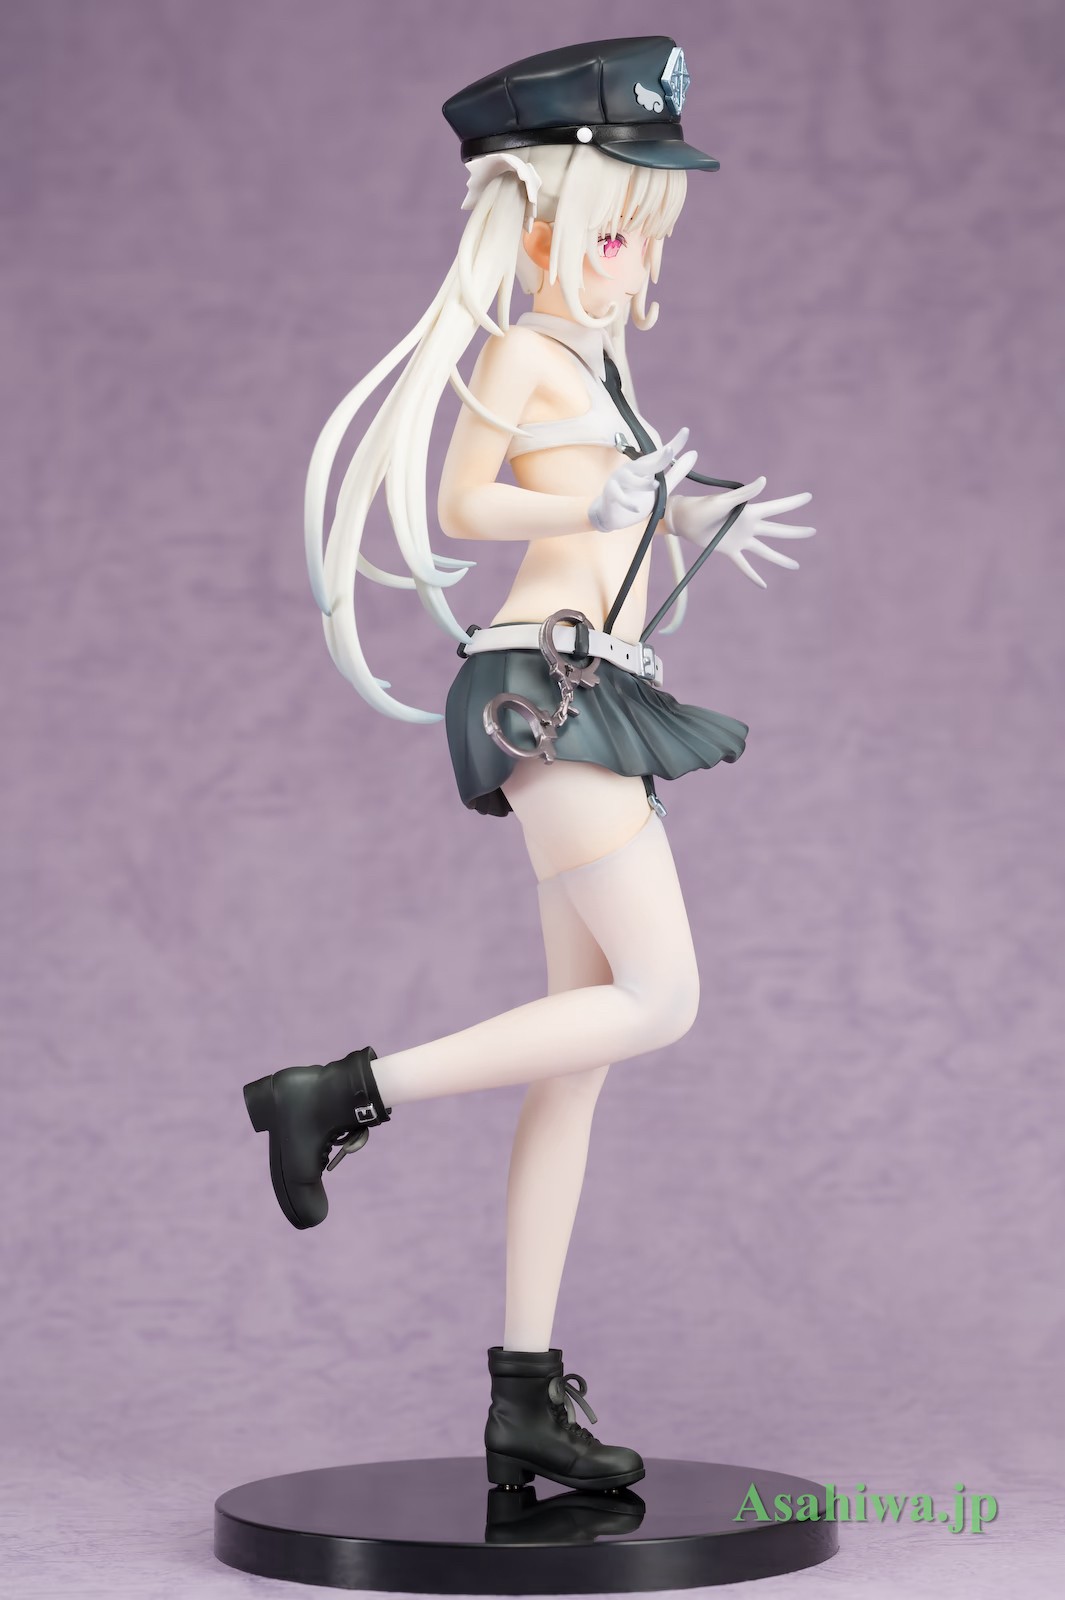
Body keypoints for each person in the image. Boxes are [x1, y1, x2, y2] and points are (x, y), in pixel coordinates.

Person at [243, 36, 815, 1493]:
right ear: (540, 222)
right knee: (658, 998)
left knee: (580, 1053)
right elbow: (465, 501)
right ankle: (341, 1089)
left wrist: (688, 515)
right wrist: (612, 501)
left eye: (648, 237)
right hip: (539, 692)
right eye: (616, 231)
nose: (637, 262)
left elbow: (608, 498)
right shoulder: (522, 351)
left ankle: (523, 1396)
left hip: (591, 684)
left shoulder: (597, 362)